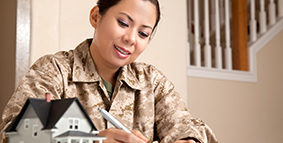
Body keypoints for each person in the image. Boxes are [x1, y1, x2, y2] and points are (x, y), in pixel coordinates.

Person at [0, 0, 218, 142]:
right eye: (123, 23)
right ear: (96, 16)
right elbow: (12, 135)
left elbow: (191, 128)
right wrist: (93, 140)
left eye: (143, 34)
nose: (131, 38)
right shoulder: (54, 70)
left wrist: (189, 140)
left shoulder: (152, 83)